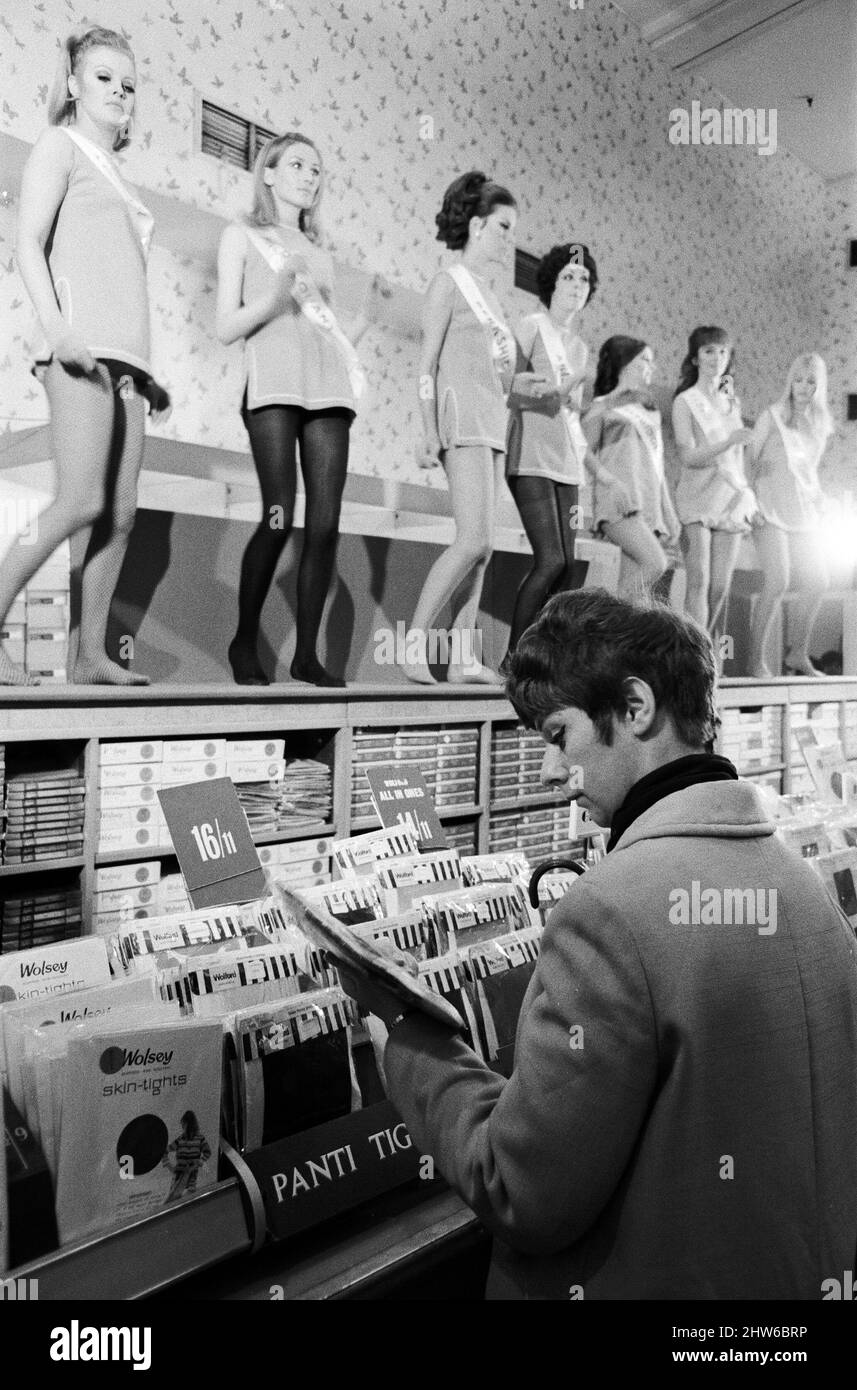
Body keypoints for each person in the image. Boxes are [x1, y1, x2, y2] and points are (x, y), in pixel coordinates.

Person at [341, 589, 857, 1300]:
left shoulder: (611, 909)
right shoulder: (800, 883)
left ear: (635, 707)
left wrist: (414, 1047)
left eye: (558, 735)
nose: (552, 772)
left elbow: (524, 1192)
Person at [4, 24, 170, 687]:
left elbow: (122, 278)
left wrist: (150, 375)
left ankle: (88, 655)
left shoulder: (120, 176)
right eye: (103, 77)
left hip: (129, 367)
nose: (118, 92)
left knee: (121, 514)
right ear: (73, 84)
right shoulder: (58, 144)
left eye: (128, 84)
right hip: (77, 352)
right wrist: (58, 330)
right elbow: (27, 243)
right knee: (77, 499)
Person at [216, 132, 373, 687]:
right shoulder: (242, 237)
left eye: (317, 168)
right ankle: (243, 642)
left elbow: (321, 334)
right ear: (269, 173)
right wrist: (273, 299)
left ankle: (307, 655)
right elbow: (224, 327)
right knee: (279, 515)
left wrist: (358, 328)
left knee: (325, 525)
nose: (310, 175)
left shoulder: (322, 254)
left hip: (328, 393)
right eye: (299, 164)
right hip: (273, 389)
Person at [403, 171, 551, 685]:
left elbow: (502, 376)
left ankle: (463, 657)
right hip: (459, 418)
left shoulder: (491, 294)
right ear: (477, 225)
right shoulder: (448, 283)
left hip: (494, 424)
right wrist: (426, 429)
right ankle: (414, 645)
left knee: (485, 548)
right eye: (504, 227)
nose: (511, 239)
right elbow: (425, 365)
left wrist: (539, 388)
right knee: (469, 540)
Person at [503, 243, 597, 657]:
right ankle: (515, 658)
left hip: (567, 462)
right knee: (550, 560)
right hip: (531, 454)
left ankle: (547, 658)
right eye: (569, 277)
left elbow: (572, 412)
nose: (577, 286)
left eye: (584, 279)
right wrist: (551, 392)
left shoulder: (581, 348)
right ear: (551, 283)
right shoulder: (530, 325)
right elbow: (506, 388)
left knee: (568, 565)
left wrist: (576, 402)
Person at [748, 353, 835, 676]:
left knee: (819, 579)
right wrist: (749, 500)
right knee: (778, 580)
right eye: (798, 379)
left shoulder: (820, 427)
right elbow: (750, 459)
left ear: (819, 385)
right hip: (768, 510)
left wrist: (821, 501)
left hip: (804, 513)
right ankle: (756, 660)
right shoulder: (772, 417)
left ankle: (798, 654)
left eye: (811, 381)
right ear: (790, 381)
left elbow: (808, 472)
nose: (803, 386)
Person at [582, 336, 680, 602]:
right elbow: (583, 450)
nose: (652, 367)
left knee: (637, 592)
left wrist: (669, 511)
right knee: (655, 564)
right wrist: (610, 481)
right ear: (625, 363)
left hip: (648, 501)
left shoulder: (649, 410)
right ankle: (600, 622)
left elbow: (658, 465)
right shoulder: (602, 406)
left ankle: (614, 642)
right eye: (645, 360)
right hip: (618, 500)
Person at [672, 326, 755, 639]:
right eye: (708, 351)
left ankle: (700, 647)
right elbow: (688, 457)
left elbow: (738, 458)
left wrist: (748, 495)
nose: (716, 358)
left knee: (721, 587)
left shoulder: (732, 402)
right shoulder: (685, 402)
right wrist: (726, 442)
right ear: (695, 358)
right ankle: (692, 653)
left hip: (729, 499)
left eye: (722, 351)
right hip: (696, 497)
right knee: (699, 581)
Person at [162, 1111, 212, 1203]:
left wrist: (200, 1162)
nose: (182, 1127)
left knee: (188, 1200)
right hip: (178, 1175)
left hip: (191, 1176)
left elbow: (207, 1152)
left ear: (189, 1124)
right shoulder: (180, 1139)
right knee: (172, 1201)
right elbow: (165, 1151)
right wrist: (168, 1165)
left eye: (184, 1125)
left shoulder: (200, 1139)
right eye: (182, 1125)